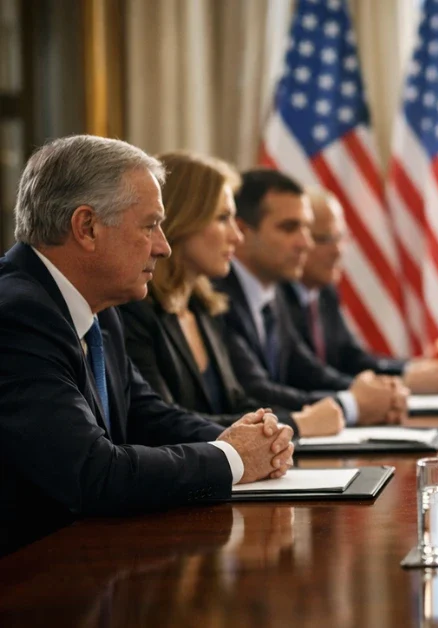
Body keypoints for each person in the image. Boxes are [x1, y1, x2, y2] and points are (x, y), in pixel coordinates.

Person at [0, 136, 293, 541]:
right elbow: (92, 473)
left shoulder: (101, 310)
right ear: (87, 227)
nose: (164, 247)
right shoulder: (16, 314)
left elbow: (148, 416)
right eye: (151, 225)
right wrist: (231, 457)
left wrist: (256, 439)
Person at [118, 152, 344, 437]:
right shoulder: (133, 311)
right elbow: (160, 424)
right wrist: (296, 425)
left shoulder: (204, 307)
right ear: (181, 222)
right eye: (223, 218)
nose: (237, 237)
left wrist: (286, 425)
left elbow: (238, 401)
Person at [214, 169, 407, 426]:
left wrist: (375, 395)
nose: (305, 243)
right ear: (243, 232)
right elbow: (254, 391)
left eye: (306, 228)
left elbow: (304, 369)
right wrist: (351, 404)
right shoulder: (217, 295)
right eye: (289, 228)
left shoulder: (273, 290)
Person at [279, 186, 438, 394]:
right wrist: (401, 382)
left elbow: (352, 358)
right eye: (325, 239)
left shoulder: (325, 291)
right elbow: (308, 376)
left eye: (340, 237)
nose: (337, 250)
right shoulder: (278, 296)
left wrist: (412, 370)